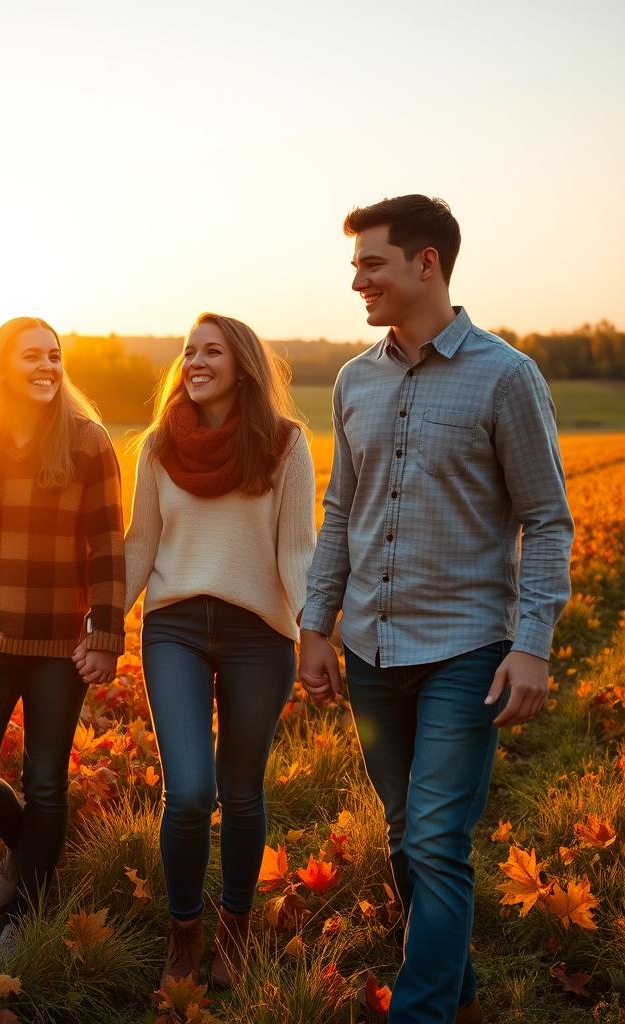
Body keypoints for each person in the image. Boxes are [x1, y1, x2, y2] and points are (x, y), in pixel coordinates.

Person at [299, 195, 574, 1024]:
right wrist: (317, 623)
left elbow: (548, 520)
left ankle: (420, 1013)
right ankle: (458, 993)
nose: (356, 282)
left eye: (370, 264)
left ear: (427, 264)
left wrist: (532, 645)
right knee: (401, 838)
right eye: (354, 266)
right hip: (371, 654)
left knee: (434, 840)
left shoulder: (506, 376)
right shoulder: (355, 380)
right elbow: (342, 512)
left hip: (466, 652)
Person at [110, 312, 316, 988]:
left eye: (213, 352)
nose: (196, 361)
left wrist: (314, 629)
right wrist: (104, 624)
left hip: (260, 634)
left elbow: (295, 550)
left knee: (242, 791)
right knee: (190, 792)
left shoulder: (285, 445)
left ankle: (235, 929)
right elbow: (140, 543)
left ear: (243, 365)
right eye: (189, 351)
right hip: (174, 628)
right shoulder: (158, 446)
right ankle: (185, 931)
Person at [0, 316, 125, 960]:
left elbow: (106, 547)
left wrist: (105, 632)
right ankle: (29, 844)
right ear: (1, 366)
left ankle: (26, 916)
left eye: (55, 355)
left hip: (60, 650)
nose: (47, 365)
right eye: (32, 355)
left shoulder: (89, 443)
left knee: (46, 783)